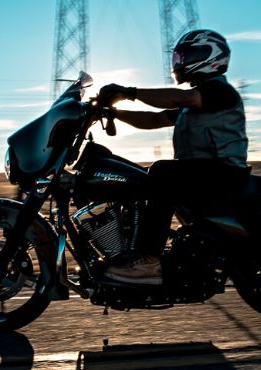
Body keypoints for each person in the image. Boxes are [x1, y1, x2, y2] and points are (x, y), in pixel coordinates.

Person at [97, 29, 249, 285]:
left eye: (187, 56)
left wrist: (128, 91)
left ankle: (148, 261)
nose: (180, 63)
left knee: (162, 172)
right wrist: (113, 113)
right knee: (138, 177)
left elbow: (177, 98)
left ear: (210, 56)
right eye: (179, 57)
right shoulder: (196, 101)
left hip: (224, 173)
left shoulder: (217, 92)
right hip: (204, 172)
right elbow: (155, 119)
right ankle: (135, 249)